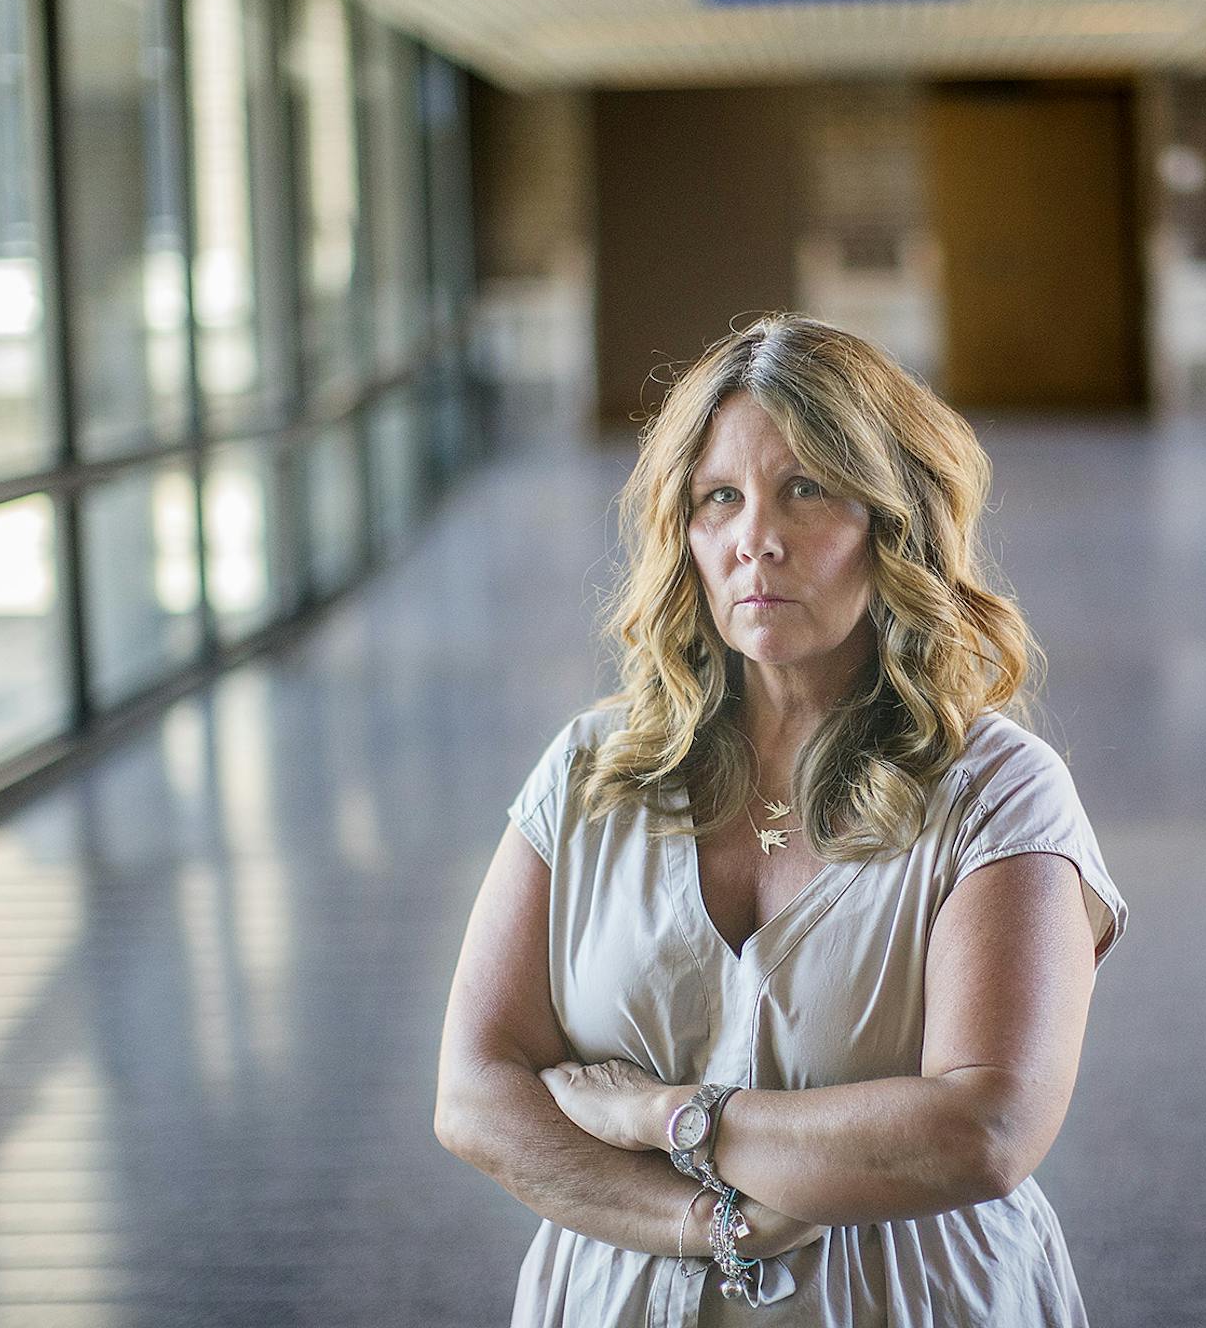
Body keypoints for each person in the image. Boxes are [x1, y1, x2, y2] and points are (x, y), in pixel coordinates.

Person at [433, 313, 1127, 1325]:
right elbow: (475, 1096)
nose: (756, 536)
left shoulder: (1000, 792)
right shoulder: (590, 773)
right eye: (720, 498)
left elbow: (983, 1130)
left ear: (893, 520)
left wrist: (659, 1116)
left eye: (804, 488)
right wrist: (708, 1229)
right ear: (687, 536)